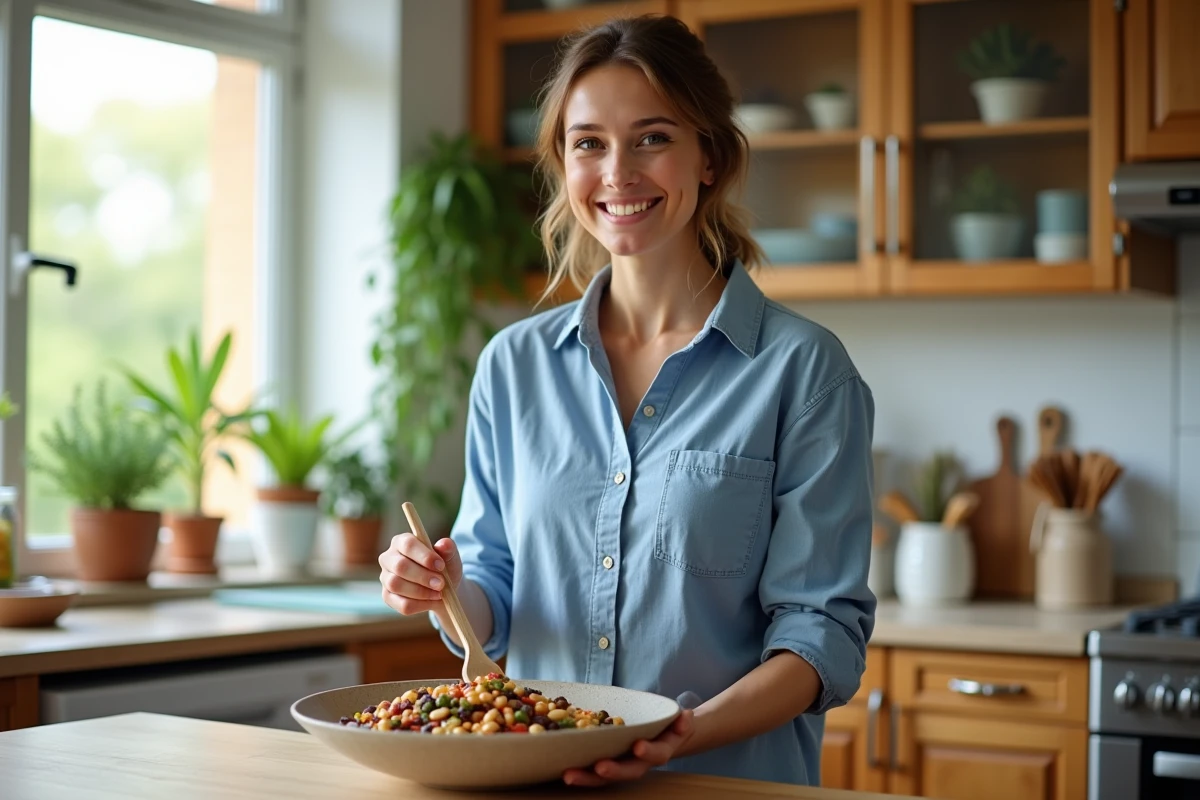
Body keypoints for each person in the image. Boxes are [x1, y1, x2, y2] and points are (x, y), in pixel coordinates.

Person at [378, 13, 876, 788]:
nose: (618, 173)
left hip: (726, 782)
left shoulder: (804, 372)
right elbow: (494, 596)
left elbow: (820, 637)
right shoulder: (513, 367)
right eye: (589, 144)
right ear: (563, 165)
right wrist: (440, 588)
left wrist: (682, 733)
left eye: (651, 138)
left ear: (708, 157)